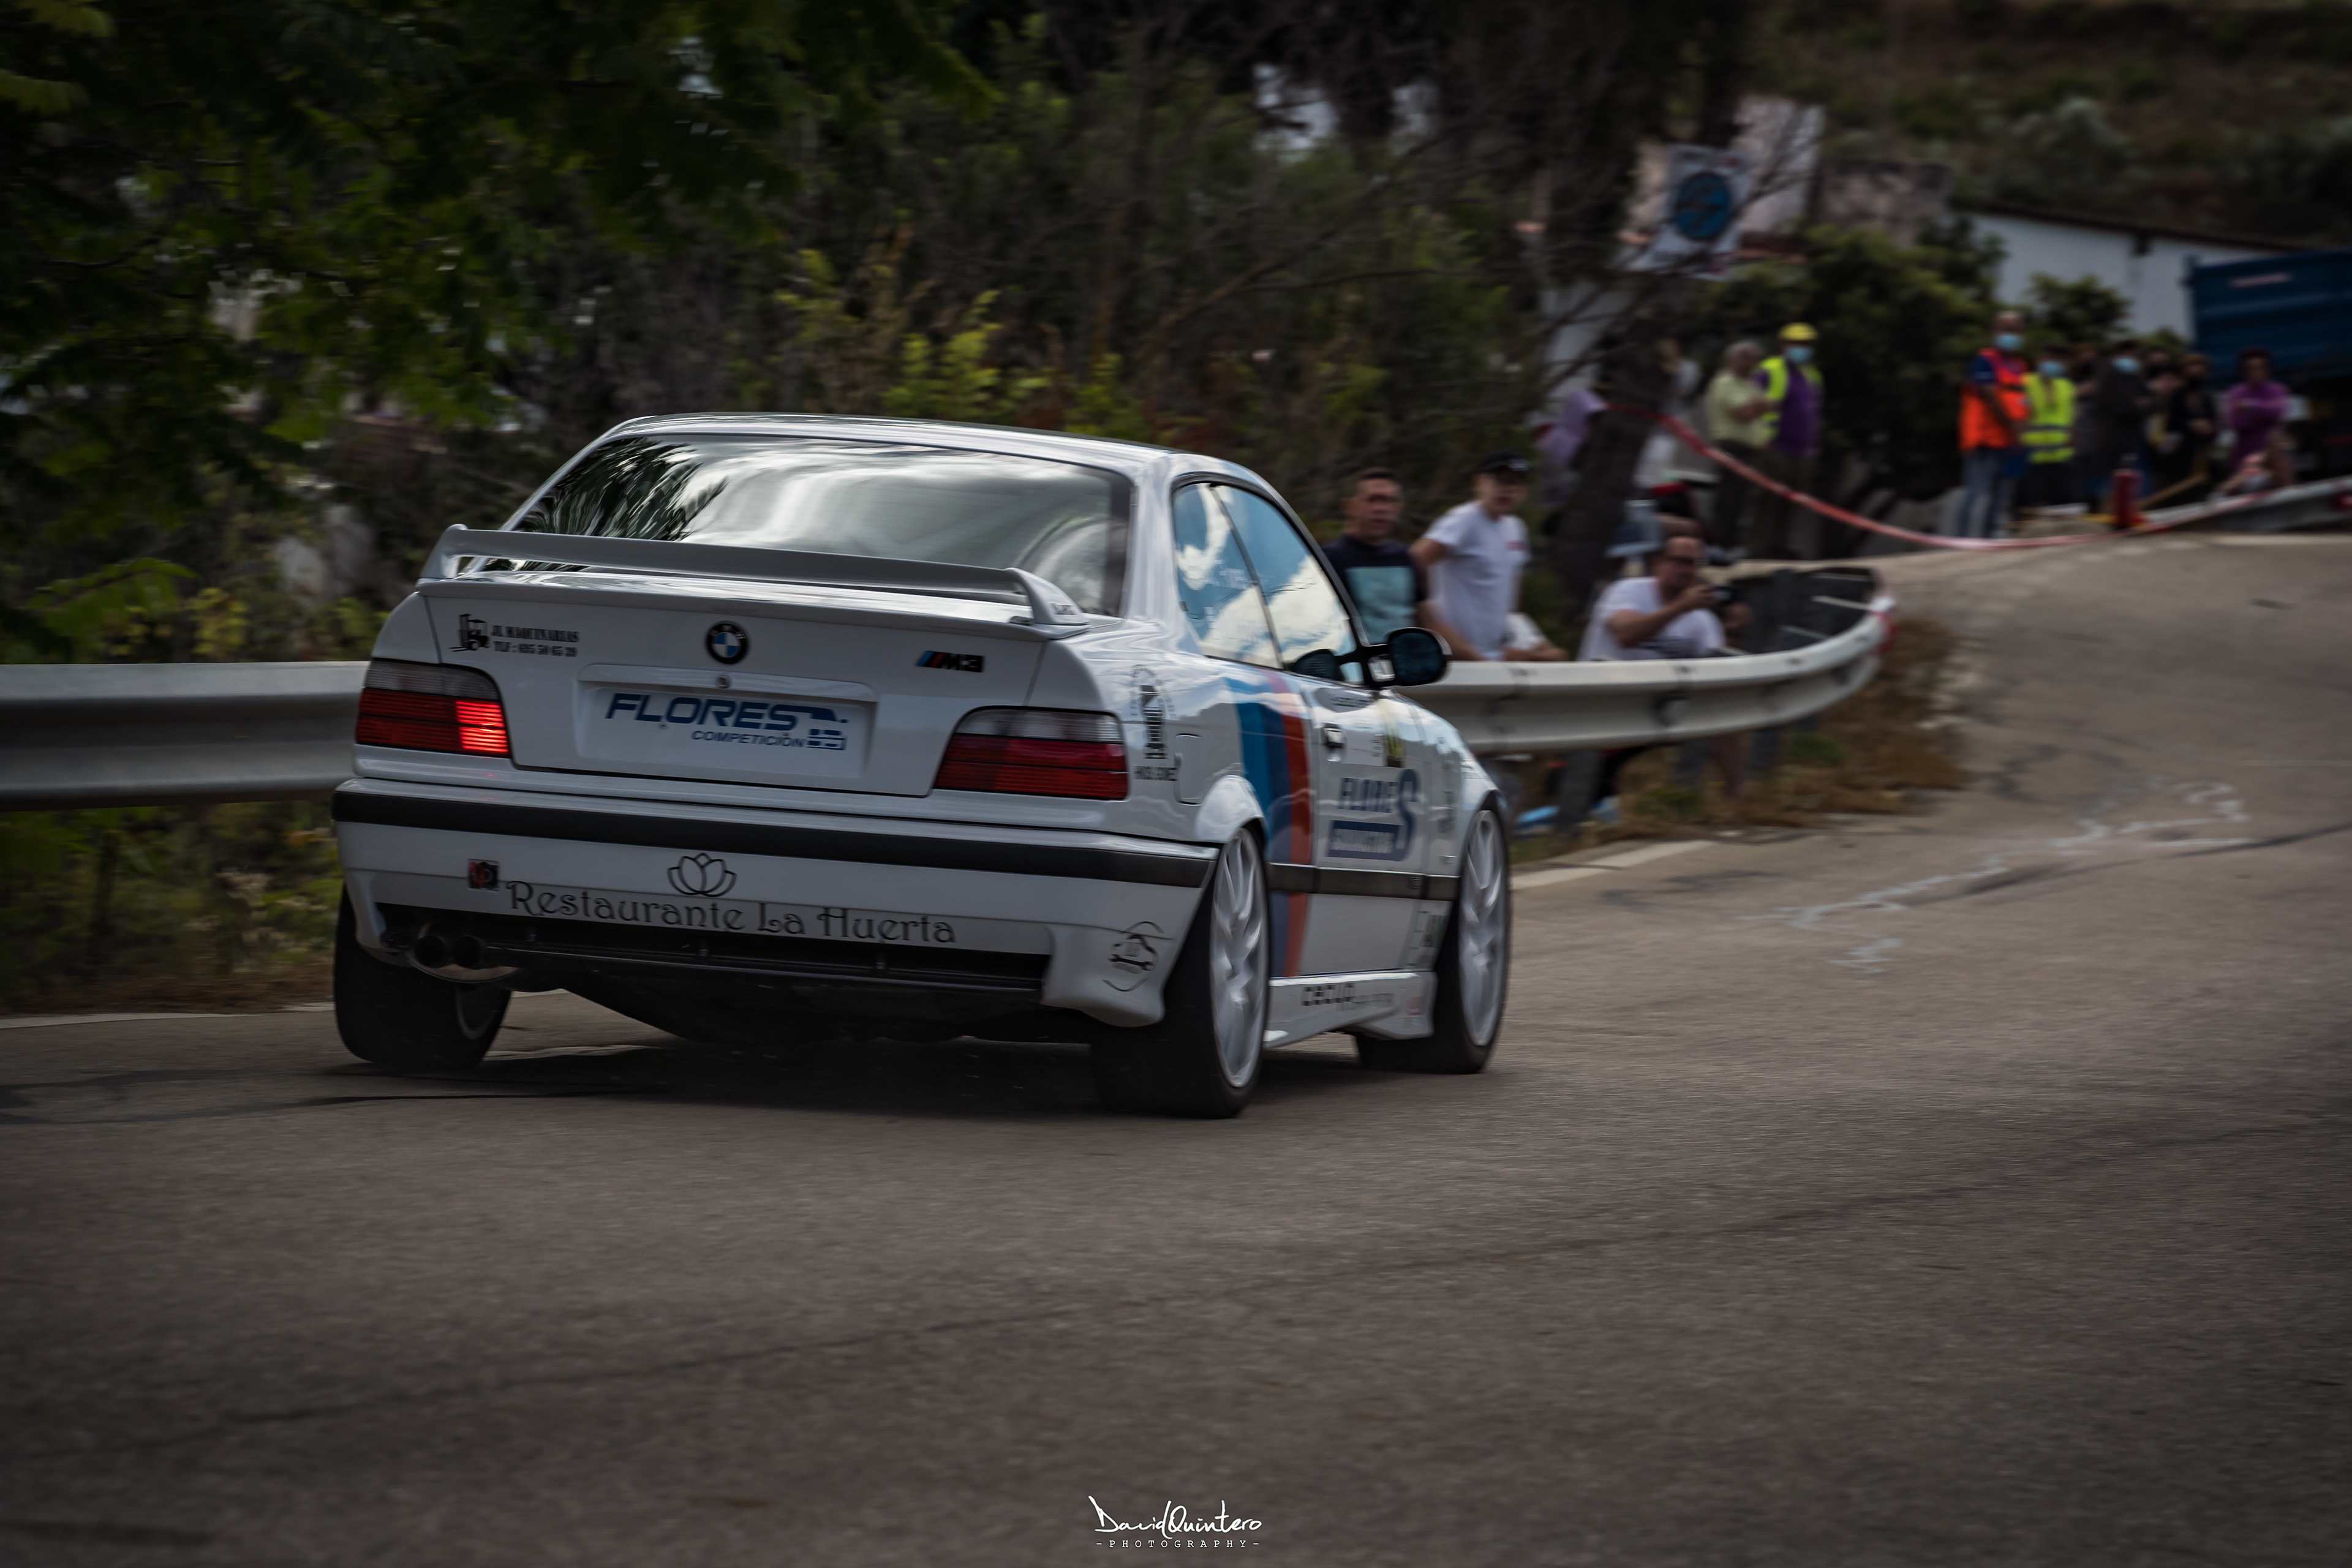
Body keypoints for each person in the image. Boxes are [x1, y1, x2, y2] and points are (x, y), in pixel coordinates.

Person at [1578, 527, 1744, 816]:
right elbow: (1626, 634)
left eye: (1694, 564)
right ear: (1658, 564)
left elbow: (1715, 676)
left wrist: (1732, 631)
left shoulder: (1703, 621)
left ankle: (1738, 798)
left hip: (1655, 717)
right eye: (1679, 561)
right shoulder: (1628, 592)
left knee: (1721, 711)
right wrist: (1679, 608)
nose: (1686, 570)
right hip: (1602, 711)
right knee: (1583, 798)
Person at [1412, 453, 1563, 662]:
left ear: (1526, 490)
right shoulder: (1464, 519)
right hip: (1452, 654)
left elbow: (1510, 597)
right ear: (1479, 482)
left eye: (1516, 482)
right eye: (1500, 480)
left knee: (1554, 659)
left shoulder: (1516, 528)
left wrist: (1525, 640)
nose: (1507, 489)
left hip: (1491, 655)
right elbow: (1411, 563)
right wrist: (1431, 622)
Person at [1319, 469, 1474, 652]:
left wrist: (1483, 661)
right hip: (1359, 666)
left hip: (1405, 665)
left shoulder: (1405, 557)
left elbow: (1430, 624)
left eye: (1389, 501)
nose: (1381, 509)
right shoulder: (1330, 559)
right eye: (1372, 500)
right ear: (1349, 507)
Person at [1749, 323, 1823, 560]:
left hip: (1803, 452)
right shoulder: (1770, 369)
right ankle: (1759, 553)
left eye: (1807, 344)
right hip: (1775, 446)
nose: (1802, 348)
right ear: (1783, 345)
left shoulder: (1812, 375)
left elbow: (1813, 412)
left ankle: (1779, 550)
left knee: (1792, 505)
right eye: (1797, 343)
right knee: (1769, 503)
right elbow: (1751, 404)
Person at [1954, 311, 2032, 538]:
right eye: (2005, 330)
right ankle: (1962, 542)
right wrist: (2014, 427)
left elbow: (2024, 402)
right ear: (1994, 332)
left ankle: (1988, 542)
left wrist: (2023, 431)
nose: (2010, 335)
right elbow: (1990, 396)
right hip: (1984, 441)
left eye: (2015, 331)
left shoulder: (2020, 367)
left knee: (2000, 500)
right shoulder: (1985, 360)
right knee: (1976, 495)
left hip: (2009, 444)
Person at [1703, 339, 1771, 551]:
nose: (1749, 364)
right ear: (1731, 359)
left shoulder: (1750, 384)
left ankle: (1729, 543)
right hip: (1732, 448)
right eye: (1745, 358)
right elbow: (1743, 413)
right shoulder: (1726, 382)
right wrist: (1759, 405)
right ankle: (1718, 544)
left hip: (1750, 451)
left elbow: (1768, 406)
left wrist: (1758, 405)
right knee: (1728, 500)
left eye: (1753, 359)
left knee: (1741, 502)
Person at [2079, 339, 2152, 510]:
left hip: (2128, 439)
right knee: (2109, 482)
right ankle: (2107, 511)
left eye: (2135, 356)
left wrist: (2141, 405)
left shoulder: (2134, 377)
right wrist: (2139, 405)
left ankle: (2122, 511)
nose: (2132, 359)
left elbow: (2153, 402)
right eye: (2128, 355)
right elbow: (2125, 407)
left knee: (2126, 482)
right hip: (2109, 440)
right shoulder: (2108, 376)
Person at [2018, 345, 2079, 511]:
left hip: (2062, 457)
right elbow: (2018, 415)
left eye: (2056, 360)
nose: (2051, 363)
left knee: (2065, 506)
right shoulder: (2025, 383)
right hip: (2032, 458)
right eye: (2048, 358)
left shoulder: (2066, 386)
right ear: (2038, 360)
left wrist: (2074, 441)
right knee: (2031, 509)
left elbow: (2072, 418)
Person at [2153, 352, 2218, 501]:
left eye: (2201, 370)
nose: (2197, 373)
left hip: (2200, 457)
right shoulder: (2175, 396)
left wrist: (2210, 429)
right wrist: (2190, 425)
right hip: (2177, 459)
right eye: (2192, 368)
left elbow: (2214, 425)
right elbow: (2169, 424)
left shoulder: (2206, 397)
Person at [2222, 348, 2293, 469]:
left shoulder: (2277, 389)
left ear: (2268, 369)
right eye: (2251, 369)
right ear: (2244, 371)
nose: (2256, 372)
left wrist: (2252, 406)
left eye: (2261, 367)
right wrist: (2266, 413)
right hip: (2246, 455)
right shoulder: (2236, 393)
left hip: (2273, 453)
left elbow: (2278, 411)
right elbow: (2236, 422)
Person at [2215, 428, 2297, 497]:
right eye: (2282, 452)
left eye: (2288, 452)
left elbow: (2289, 488)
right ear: (2270, 450)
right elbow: (2226, 489)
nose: (2285, 456)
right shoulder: (2255, 465)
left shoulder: (2288, 465)